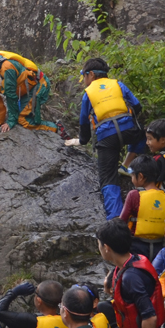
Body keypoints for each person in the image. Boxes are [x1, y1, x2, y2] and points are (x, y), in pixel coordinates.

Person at [64, 58, 147, 220]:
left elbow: (83, 123)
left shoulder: (88, 94)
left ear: (92, 75)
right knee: (143, 134)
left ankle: (116, 219)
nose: (84, 80)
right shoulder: (118, 85)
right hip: (129, 131)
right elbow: (137, 106)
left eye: (84, 76)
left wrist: (82, 141)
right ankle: (127, 164)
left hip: (106, 138)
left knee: (108, 178)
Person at [0, 42, 56, 133]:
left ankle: (57, 129)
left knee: (23, 121)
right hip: (22, 91)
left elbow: (11, 95)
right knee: (18, 116)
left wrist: (11, 121)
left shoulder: (6, 68)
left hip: (38, 85)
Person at [119, 154, 165, 261]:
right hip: (160, 247)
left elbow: (122, 221)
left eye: (133, 176)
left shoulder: (134, 195)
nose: (132, 179)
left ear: (141, 176)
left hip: (137, 247)